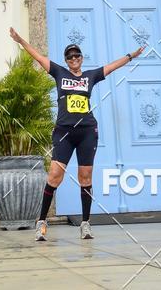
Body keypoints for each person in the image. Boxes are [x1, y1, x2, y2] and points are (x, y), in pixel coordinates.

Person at [9, 27, 145, 241]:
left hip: (87, 132)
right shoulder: (59, 72)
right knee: (54, 175)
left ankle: (85, 223)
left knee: (85, 177)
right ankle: (41, 222)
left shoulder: (91, 76)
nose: (73, 59)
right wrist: (20, 41)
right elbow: (37, 55)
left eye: (76, 55)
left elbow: (111, 67)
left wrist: (131, 56)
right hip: (64, 132)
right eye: (69, 56)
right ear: (66, 60)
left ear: (81, 58)